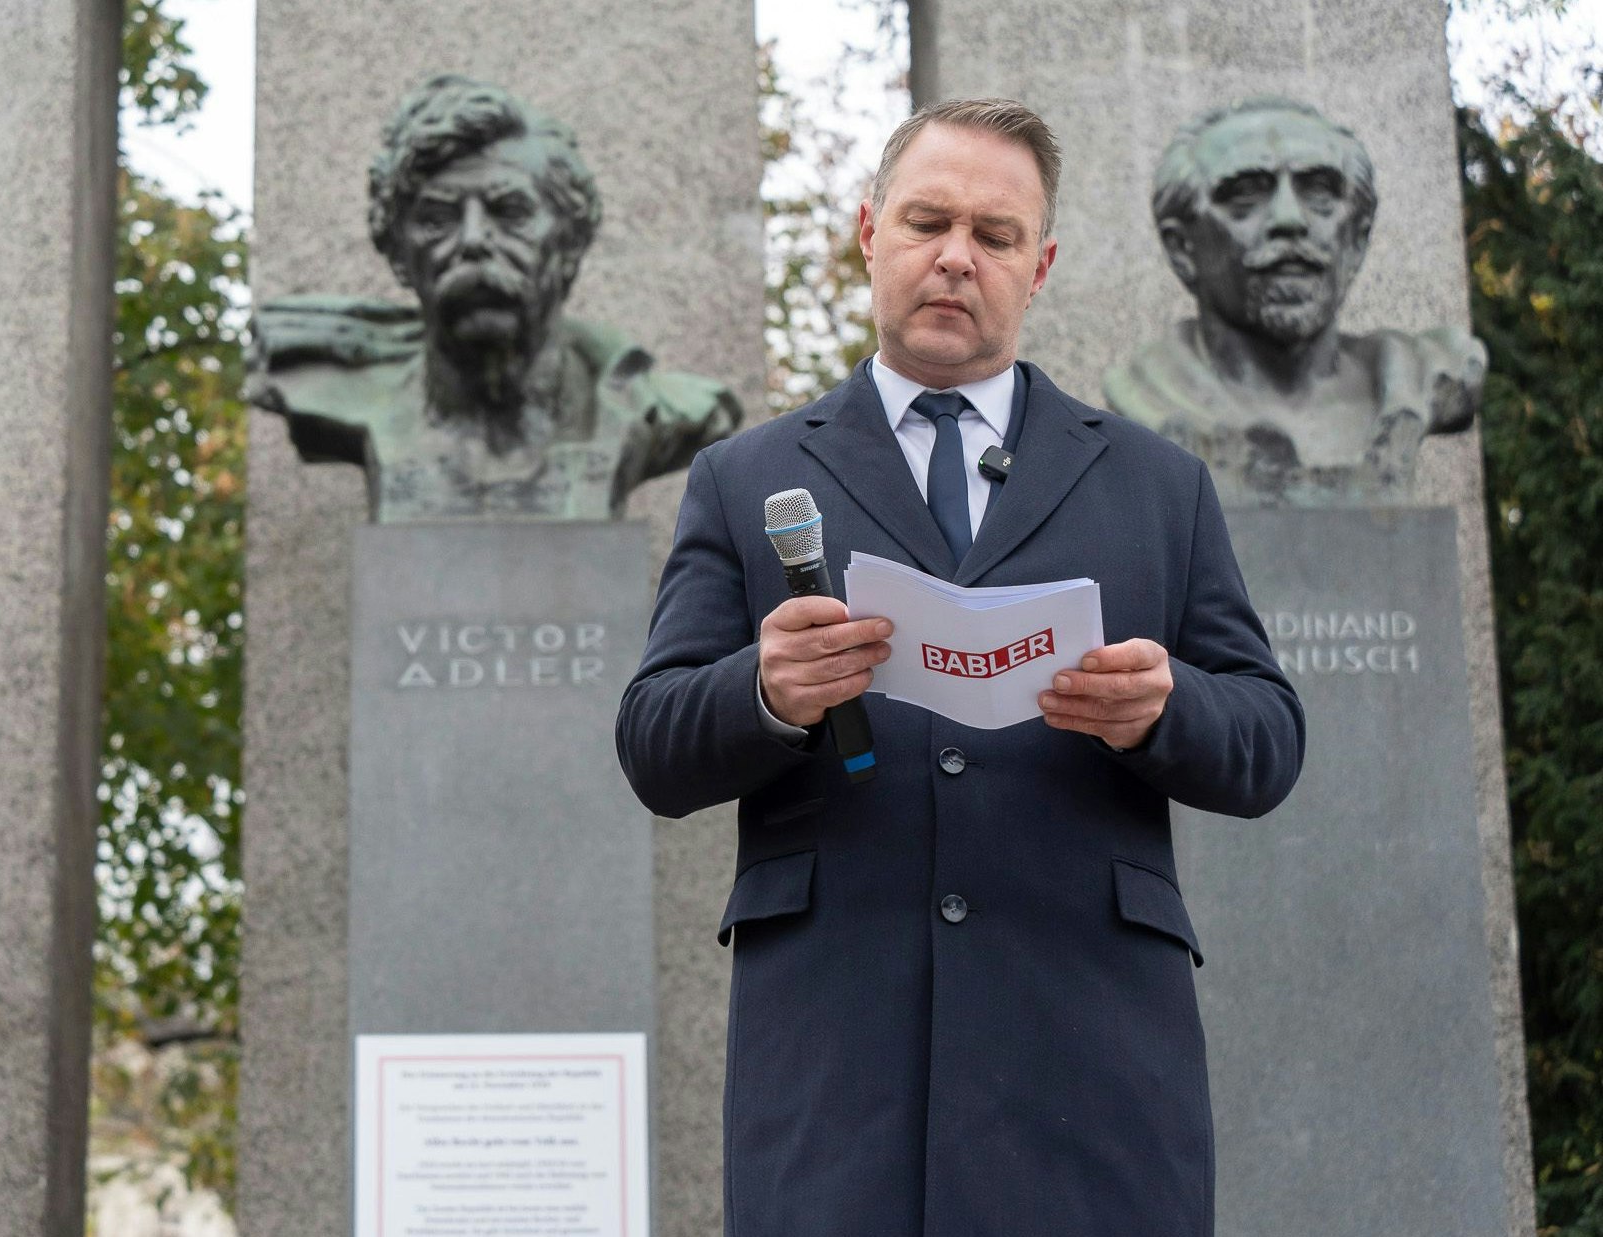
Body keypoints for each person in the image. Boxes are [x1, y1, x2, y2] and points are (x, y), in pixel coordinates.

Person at [614, 98, 1304, 1235]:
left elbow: (1268, 739)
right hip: (835, 1071)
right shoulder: (743, 477)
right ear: (867, 232)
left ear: (1039, 267)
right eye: (927, 220)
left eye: (992, 235)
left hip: (1091, 1068)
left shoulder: (1154, 484)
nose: (954, 256)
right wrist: (766, 691)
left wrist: (1161, 708)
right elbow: (652, 741)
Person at [245, 74, 739, 521]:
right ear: (398, 252)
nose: (473, 240)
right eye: (437, 218)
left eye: (510, 211)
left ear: (569, 242)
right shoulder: (320, 386)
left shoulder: (665, 408)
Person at [1104, 96, 1483, 506]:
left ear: (1356, 239)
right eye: (1245, 198)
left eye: (1319, 193)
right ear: (1182, 249)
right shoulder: (1144, 404)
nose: (1290, 219)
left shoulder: (1425, 378)